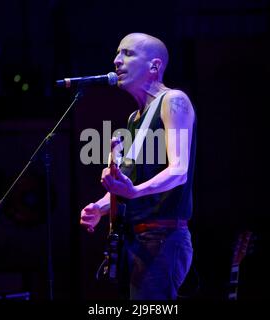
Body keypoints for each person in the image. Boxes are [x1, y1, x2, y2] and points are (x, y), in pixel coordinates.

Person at [80, 33, 196, 300]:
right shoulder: (135, 117)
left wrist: (134, 192)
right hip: (135, 241)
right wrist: (99, 207)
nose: (116, 61)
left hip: (162, 238)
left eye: (128, 54)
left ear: (154, 66)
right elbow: (131, 182)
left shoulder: (174, 100)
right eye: (117, 53)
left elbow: (179, 170)